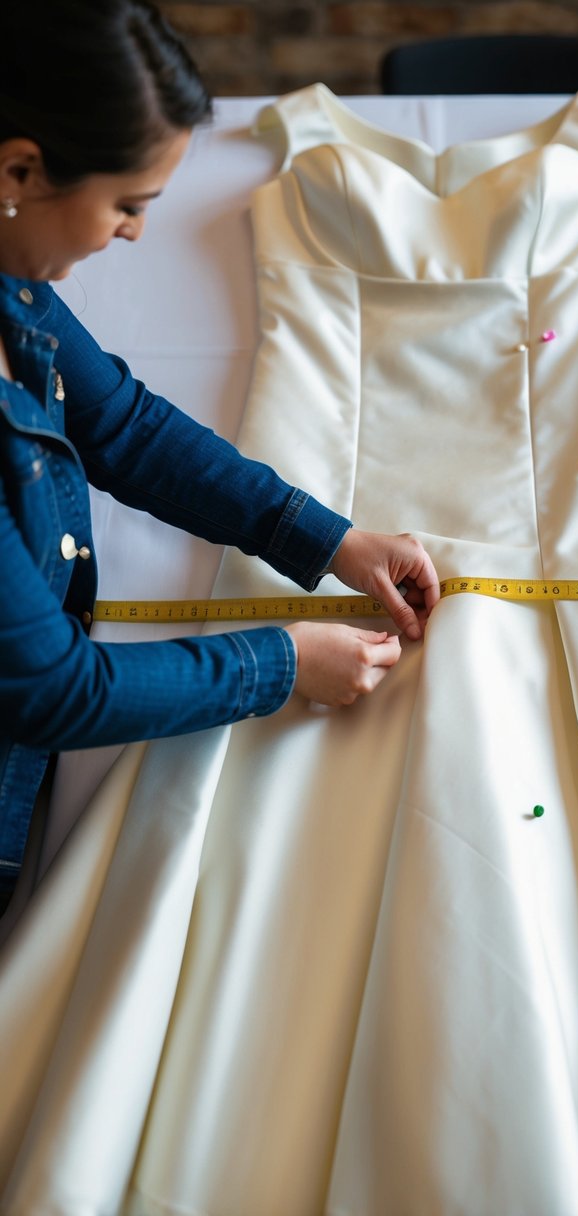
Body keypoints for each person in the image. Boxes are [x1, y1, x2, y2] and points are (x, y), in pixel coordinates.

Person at [0, 0, 439, 915]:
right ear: (21, 168)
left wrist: (328, 541)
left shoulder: (13, 280)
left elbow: (122, 426)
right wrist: (281, 663)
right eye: (127, 203)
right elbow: (58, 695)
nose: (134, 234)